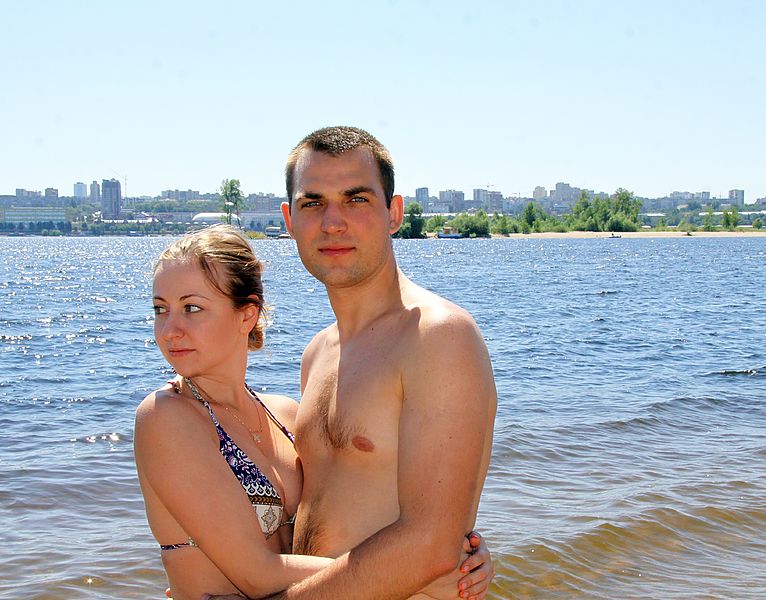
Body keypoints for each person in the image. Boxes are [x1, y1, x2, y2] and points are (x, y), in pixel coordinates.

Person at [214, 126, 498, 599]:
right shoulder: (318, 353)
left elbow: (431, 545)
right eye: (313, 203)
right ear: (289, 219)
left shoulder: (437, 337)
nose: (332, 222)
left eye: (356, 199)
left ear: (394, 213)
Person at [134, 225, 492, 599]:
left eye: (192, 308)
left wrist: (460, 555)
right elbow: (256, 572)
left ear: (246, 315)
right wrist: (414, 569)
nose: (170, 330)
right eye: (160, 310)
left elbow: (344, 511)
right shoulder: (167, 417)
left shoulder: (284, 414)